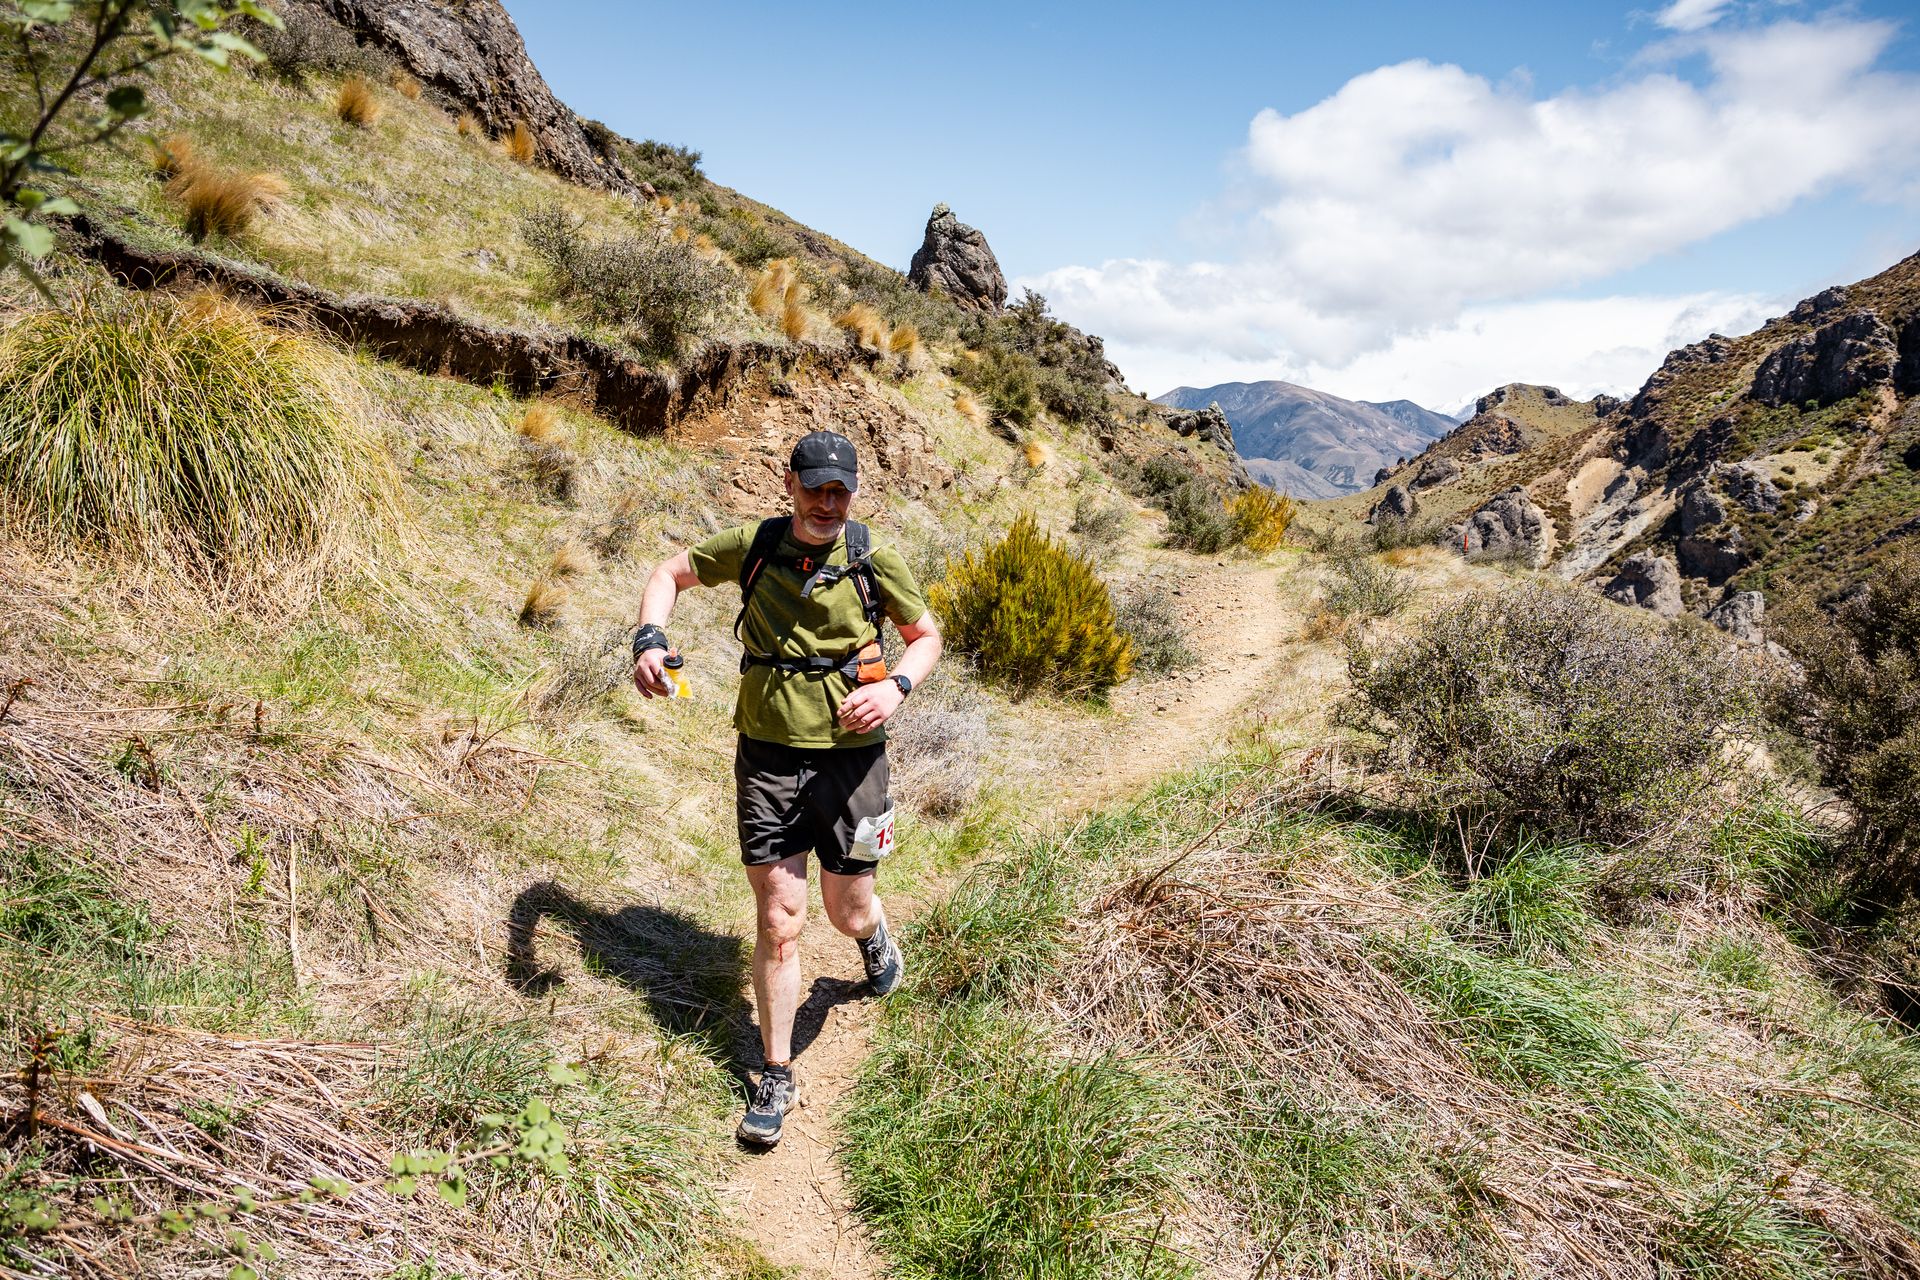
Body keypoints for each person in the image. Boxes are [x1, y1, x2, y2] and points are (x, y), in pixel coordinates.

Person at [630, 430, 942, 1147]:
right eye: (815, 489)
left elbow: (926, 636)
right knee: (780, 919)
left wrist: (896, 688)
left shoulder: (871, 557)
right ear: (790, 484)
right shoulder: (756, 544)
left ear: (854, 492)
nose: (827, 504)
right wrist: (649, 638)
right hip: (767, 755)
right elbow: (667, 575)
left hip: (854, 761)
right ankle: (776, 1073)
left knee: (847, 910)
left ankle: (873, 934)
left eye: (840, 491)